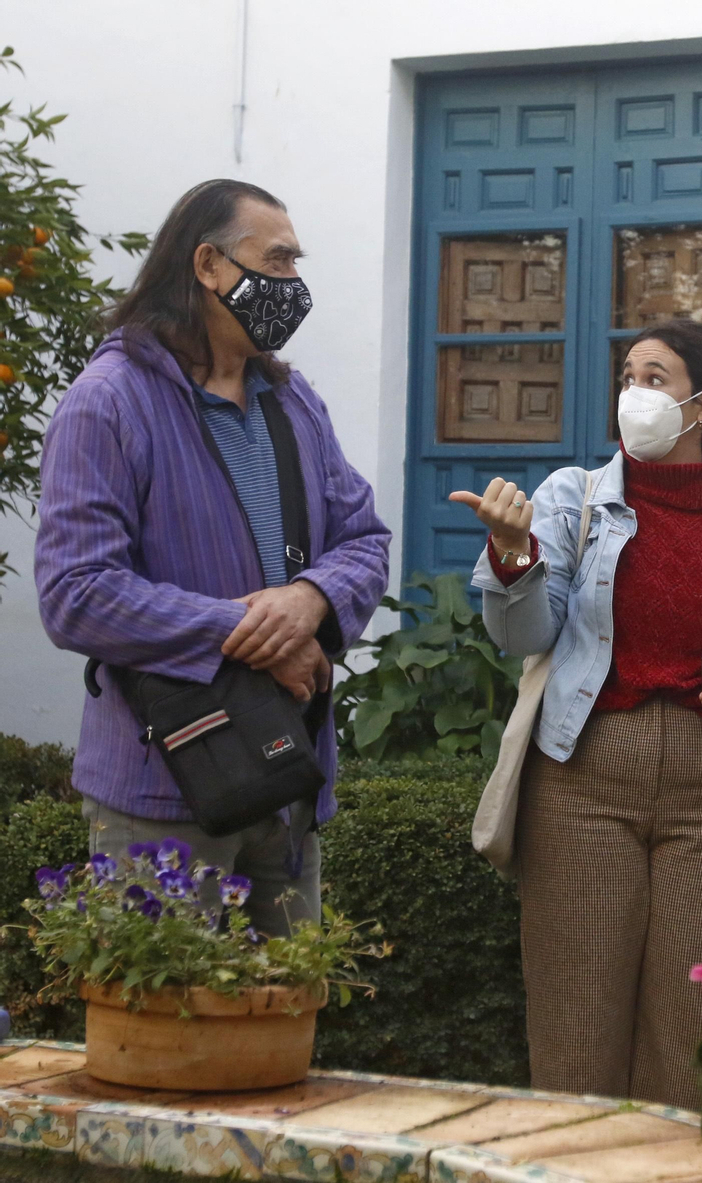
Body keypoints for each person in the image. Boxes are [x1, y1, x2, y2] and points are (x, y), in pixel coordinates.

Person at [454, 318, 702, 1109]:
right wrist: (512, 555)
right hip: (583, 785)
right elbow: (523, 635)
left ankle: (666, 1162)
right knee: (576, 1023)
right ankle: (573, 1162)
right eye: (629, 377)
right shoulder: (571, 497)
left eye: (656, 379)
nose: (633, 394)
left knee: (688, 1030)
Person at [34, 179, 390, 935]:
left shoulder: (294, 402)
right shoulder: (109, 401)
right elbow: (76, 591)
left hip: (287, 777)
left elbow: (364, 538)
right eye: (278, 260)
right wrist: (255, 637)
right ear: (207, 265)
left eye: (295, 263)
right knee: (167, 1008)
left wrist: (310, 600)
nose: (292, 282)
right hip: (164, 793)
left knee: (290, 1002)